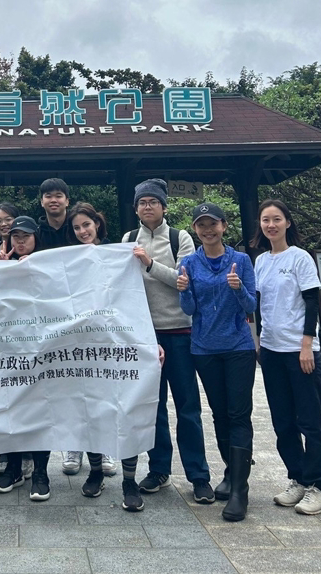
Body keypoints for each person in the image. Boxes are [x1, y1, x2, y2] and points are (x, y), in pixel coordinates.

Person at [122, 180, 214, 506]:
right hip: (146, 337)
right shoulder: (128, 240)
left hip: (180, 333)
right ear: (135, 209)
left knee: (188, 408)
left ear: (164, 207)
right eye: (142, 202)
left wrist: (148, 263)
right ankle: (159, 469)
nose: (147, 207)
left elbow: (182, 282)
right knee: (154, 408)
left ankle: (199, 476)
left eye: (153, 202)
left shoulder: (180, 237)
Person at [177, 202, 256, 522]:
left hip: (237, 346)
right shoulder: (190, 262)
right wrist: (183, 290)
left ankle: (240, 490)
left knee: (239, 414)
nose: (208, 230)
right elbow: (189, 308)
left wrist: (237, 289)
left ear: (224, 226)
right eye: (201, 225)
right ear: (195, 229)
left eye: (213, 224)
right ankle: (230, 472)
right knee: (219, 414)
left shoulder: (240, 260)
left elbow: (251, 305)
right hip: (203, 348)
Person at [252, 199, 321, 515]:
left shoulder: (300, 258)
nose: (271, 225)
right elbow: (259, 305)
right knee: (283, 421)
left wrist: (306, 345)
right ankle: (297, 478)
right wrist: (258, 341)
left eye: (277, 219)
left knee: (310, 421)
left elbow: (311, 302)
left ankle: (319, 486)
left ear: (287, 222)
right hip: (271, 351)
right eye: (265, 220)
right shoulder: (260, 261)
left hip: (300, 352)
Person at [0, 216, 53, 501]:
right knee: (11, 409)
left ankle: (41, 472)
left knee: (40, 411)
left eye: (25, 236)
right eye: (15, 235)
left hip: (41, 351)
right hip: (8, 350)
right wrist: (0, 270)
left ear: (35, 238)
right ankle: (14, 467)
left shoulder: (49, 265)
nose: (20, 240)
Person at [61, 202, 119, 489]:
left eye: (87, 224)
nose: (83, 231)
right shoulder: (68, 258)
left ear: (97, 224)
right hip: (74, 334)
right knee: (74, 391)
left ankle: (105, 446)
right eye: (77, 227)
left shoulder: (115, 254)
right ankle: (75, 445)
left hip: (105, 334)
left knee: (103, 392)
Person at [38, 178, 72, 250]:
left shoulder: (77, 229)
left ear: (67, 201)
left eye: (58, 196)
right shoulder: (36, 234)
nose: (53, 200)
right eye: (48, 196)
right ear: (42, 202)